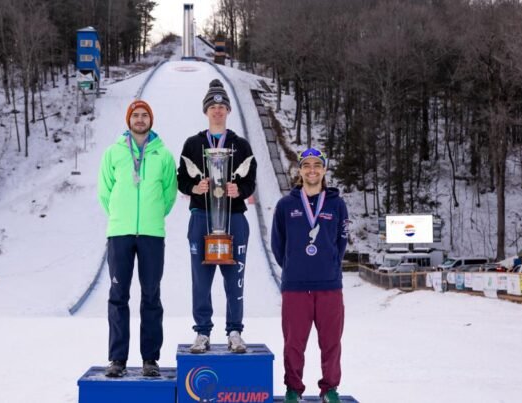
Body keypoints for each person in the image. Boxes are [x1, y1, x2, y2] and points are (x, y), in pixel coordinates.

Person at [97, 99, 178, 378]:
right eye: (136, 115)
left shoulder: (163, 155)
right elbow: (105, 191)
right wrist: (121, 215)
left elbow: (169, 194)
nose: (140, 119)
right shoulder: (113, 153)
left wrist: (153, 215)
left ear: (150, 120)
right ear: (128, 120)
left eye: (145, 115)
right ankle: (117, 358)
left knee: (151, 295)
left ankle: (150, 359)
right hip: (120, 233)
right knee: (118, 295)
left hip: (152, 234)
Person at [177, 79, 257, 354]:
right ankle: (202, 332)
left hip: (234, 217)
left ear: (229, 110)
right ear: (206, 111)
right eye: (212, 106)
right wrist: (194, 188)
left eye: (222, 106)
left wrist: (239, 190)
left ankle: (235, 331)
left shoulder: (241, 145)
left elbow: (251, 181)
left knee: (234, 278)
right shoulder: (192, 144)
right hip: (202, 215)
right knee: (201, 279)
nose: (217, 110)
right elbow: (181, 179)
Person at [271, 148, 348, 403]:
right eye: (307, 165)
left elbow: (341, 241)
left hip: (329, 286)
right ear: (300, 170)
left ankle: (330, 389)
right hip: (295, 286)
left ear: (324, 170)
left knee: (331, 342)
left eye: (317, 165)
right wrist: (293, 266)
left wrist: (330, 264)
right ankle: (293, 389)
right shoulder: (286, 205)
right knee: (294, 343)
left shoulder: (336, 204)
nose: (312, 170)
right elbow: (277, 244)